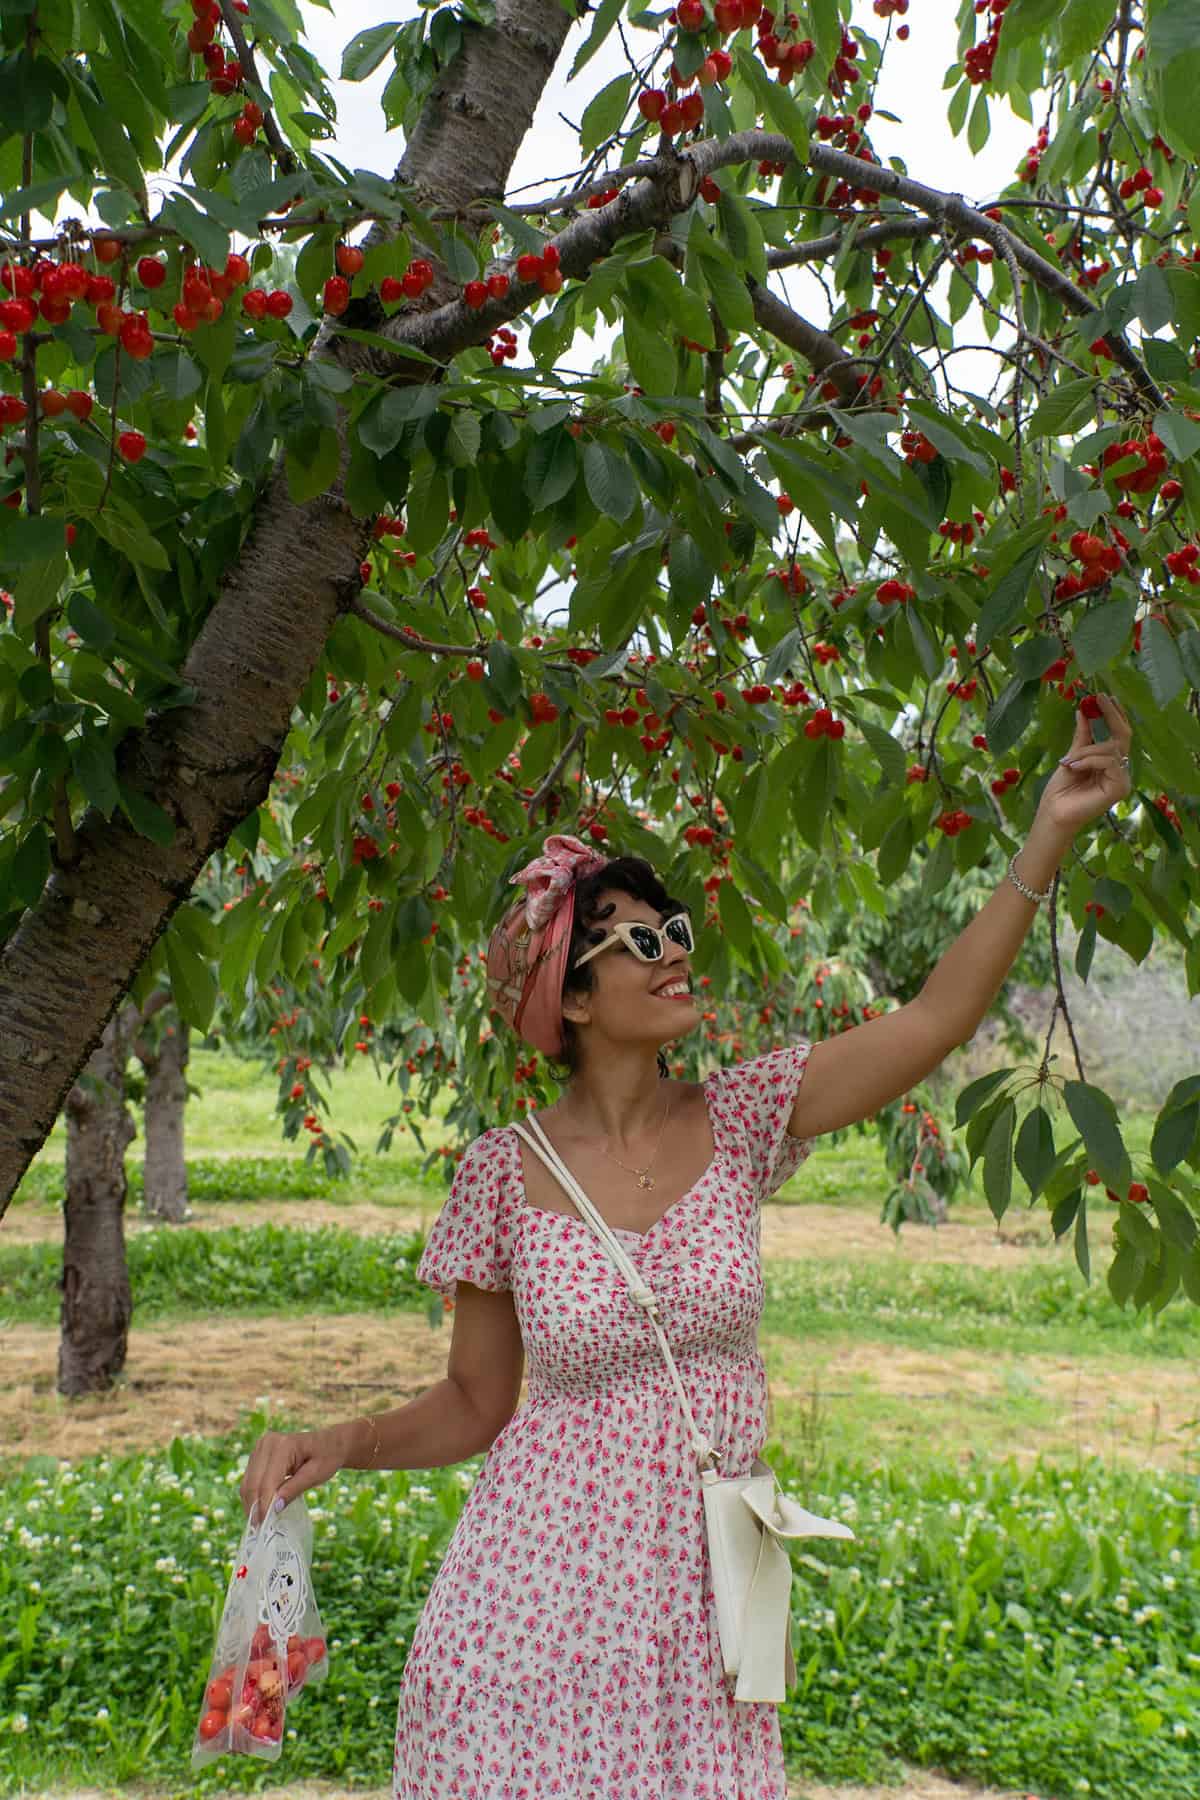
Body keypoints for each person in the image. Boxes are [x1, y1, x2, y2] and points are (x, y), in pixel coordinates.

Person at [240, 696, 1132, 1797]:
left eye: (677, 933)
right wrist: (341, 1439)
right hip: (532, 1601)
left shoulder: (746, 1114)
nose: (676, 956)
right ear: (568, 993)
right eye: (643, 940)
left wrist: (1046, 833)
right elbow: (476, 1404)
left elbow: (933, 1020)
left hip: (705, 1594)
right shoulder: (501, 1174)